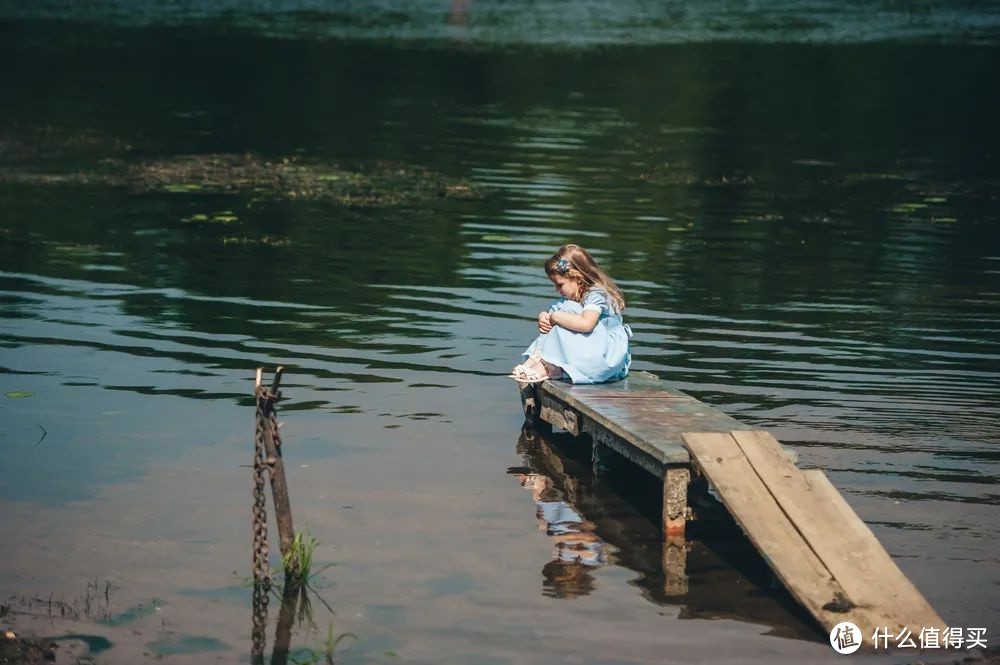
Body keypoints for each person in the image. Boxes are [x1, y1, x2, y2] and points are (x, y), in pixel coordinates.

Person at [509, 244, 631, 384]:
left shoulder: (597, 294)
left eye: (560, 285)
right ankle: (540, 358)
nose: (557, 290)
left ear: (577, 278)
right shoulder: (576, 295)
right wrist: (545, 316)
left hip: (605, 356)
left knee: (566, 311)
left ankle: (550, 365)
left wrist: (556, 317)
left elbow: (586, 324)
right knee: (563, 308)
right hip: (590, 350)